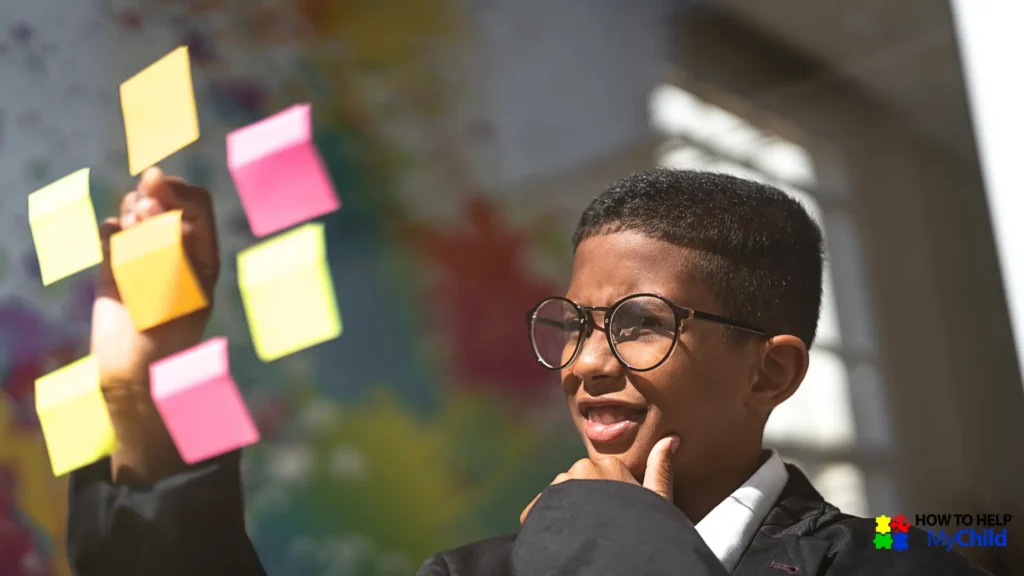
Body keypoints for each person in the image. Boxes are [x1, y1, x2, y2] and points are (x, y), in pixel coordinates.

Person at [65, 167, 991, 576]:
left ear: (772, 373)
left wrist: (614, 546)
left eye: (637, 326)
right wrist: (144, 391)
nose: (585, 364)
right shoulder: (481, 572)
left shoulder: (909, 556)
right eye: (574, 325)